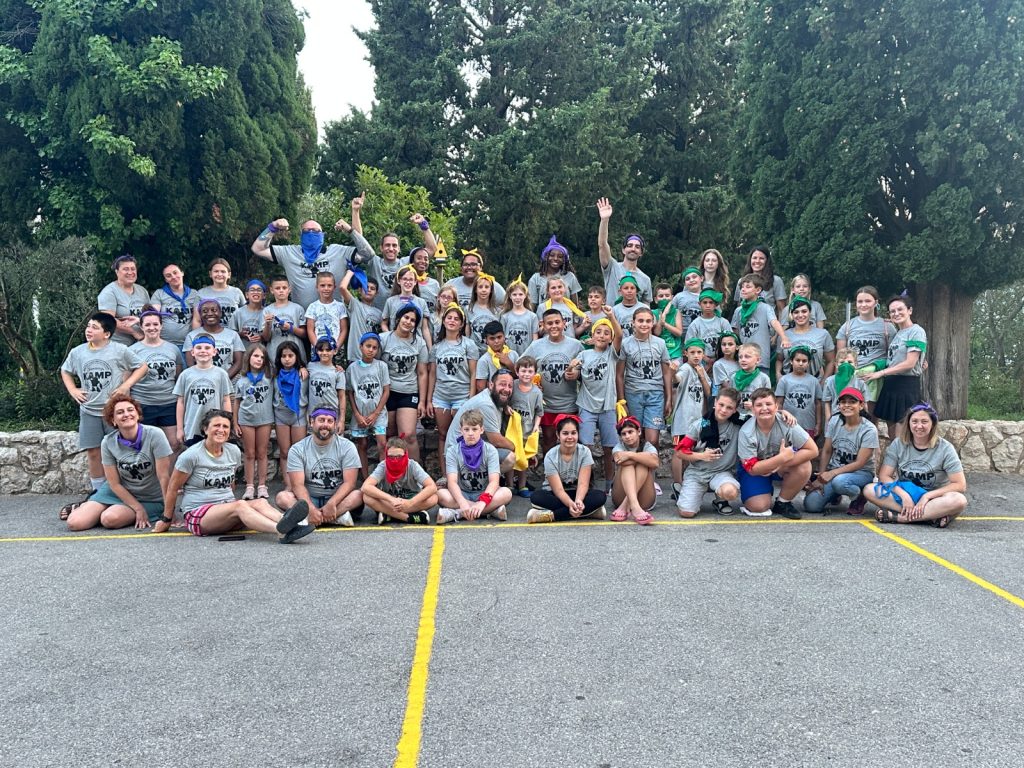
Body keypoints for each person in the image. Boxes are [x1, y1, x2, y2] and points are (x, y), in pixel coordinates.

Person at [153, 409, 314, 543]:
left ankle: (289, 523)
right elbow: (172, 488)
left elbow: (231, 483)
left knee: (260, 502)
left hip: (227, 510)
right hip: (199, 515)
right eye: (216, 425)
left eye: (225, 426)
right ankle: (281, 531)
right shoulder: (190, 456)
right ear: (205, 429)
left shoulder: (233, 451)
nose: (221, 430)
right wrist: (167, 519)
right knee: (241, 505)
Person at [60, 313, 149, 493]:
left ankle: (125, 489)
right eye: (88, 326)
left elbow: (142, 367)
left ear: (107, 334)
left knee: (121, 450)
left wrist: (126, 386)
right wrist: (73, 390)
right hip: (89, 411)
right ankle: (98, 491)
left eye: (94, 327)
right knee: (93, 452)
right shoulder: (77, 352)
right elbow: (65, 371)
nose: (88, 330)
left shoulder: (119, 350)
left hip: (114, 411)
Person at [63, 393, 172, 530]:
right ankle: (93, 505)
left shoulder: (155, 435)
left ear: (138, 415)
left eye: (130, 410)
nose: (126, 414)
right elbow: (114, 483)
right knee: (74, 523)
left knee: (109, 519)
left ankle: (102, 509)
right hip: (117, 492)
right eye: (120, 412)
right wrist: (137, 509)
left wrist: (169, 513)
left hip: (149, 497)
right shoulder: (108, 442)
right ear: (113, 420)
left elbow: (164, 477)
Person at [250, 203, 376, 309]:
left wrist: (350, 230)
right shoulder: (289, 253)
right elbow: (258, 249)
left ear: (322, 235)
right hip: (301, 321)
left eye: (316, 231)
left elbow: (367, 254)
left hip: (334, 319)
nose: (311, 233)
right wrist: (273, 227)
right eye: (306, 231)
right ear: (301, 235)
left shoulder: (338, 252)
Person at [864, 402, 968, 528]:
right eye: (914, 421)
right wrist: (904, 495)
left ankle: (903, 518)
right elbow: (884, 476)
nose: (919, 426)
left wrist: (927, 496)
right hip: (906, 494)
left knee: (959, 500)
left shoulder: (945, 448)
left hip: (934, 498)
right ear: (908, 423)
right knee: (869, 490)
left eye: (924, 421)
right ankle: (930, 516)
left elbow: (960, 485)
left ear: (933, 423)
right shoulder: (898, 444)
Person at [736, 388, 819, 519]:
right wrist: (781, 458)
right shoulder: (746, 431)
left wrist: (780, 463)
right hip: (757, 470)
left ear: (776, 406)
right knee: (758, 507)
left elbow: (813, 450)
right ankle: (762, 489)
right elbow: (752, 469)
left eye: (768, 404)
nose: (764, 408)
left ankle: (783, 502)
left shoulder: (787, 422)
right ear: (752, 409)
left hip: (781, 466)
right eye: (759, 405)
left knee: (804, 465)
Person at [276, 408, 364, 527]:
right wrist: (310, 508)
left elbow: (350, 483)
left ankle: (310, 519)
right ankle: (334, 517)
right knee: (282, 497)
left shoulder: (347, 446)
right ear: (312, 422)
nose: (325, 425)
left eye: (330, 421)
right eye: (321, 420)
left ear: (335, 424)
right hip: (310, 498)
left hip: (337, 500)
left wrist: (332, 503)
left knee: (359, 495)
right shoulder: (297, 449)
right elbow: (297, 485)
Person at [861, 294, 927, 440]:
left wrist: (881, 373)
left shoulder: (916, 331)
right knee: (893, 438)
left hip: (905, 386)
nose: (896, 313)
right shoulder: (898, 333)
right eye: (892, 311)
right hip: (891, 385)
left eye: (900, 309)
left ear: (910, 310)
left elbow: (909, 364)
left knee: (903, 436)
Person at [803, 388, 878, 515]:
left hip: (861, 473)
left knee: (840, 482)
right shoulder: (834, 421)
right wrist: (821, 477)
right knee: (811, 505)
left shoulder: (869, 430)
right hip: (837, 472)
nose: (847, 405)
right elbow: (827, 450)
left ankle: (860, 495)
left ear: (861, 405)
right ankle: (835, 494)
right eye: (843, 402)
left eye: (852, 402)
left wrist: (831, 474)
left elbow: (859, 463)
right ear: (839, 405)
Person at [522, 309, 585, 454]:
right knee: (548, 440)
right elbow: (522, 366)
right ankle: (548, 467)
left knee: (571, 441)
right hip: (546, 405)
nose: (554, 326)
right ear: (543, 325)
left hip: (569, 404)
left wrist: (577, 374)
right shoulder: (536, 346)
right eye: (549, 323)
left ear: (564, 323)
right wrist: (533, 383)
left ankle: (571, 468)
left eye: (557, 322)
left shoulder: (576, 345)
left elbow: (587, 371)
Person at [573, 310, 623, 492]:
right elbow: (573, 373)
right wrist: (571, 370)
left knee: (609, 448)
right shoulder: (584, 355)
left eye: (606, 333)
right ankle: (587, 482)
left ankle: (610, 484)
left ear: (610, 338)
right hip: (586, 405)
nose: (602, 336)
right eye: (598, 332)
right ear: (592, 336)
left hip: (607, 406)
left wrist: (611, 317)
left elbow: (620, 335)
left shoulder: (611, 354)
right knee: (585, 447)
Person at [674, 387, 743, 518]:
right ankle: (685, 493)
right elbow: (680, 452)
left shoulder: (739, 423)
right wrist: (702, 456)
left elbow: (763, 416)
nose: (723, 410)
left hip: (721, 472)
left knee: (730, 492)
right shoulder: (699, 425)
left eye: (729, 407)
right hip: (698, 473)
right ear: (715, 402)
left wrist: (782, 413)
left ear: (735, 409)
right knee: (687, 513)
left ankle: (720, 499)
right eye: (721, 405)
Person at [436, 409, 513, 524]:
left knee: (506, 493)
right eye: (466, 429)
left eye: (474, 429)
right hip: (463, 493)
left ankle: (458, 513)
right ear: (461, 430)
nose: (470, 433)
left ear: (481, 430)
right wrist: (462, 502)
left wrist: (482, 502)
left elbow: (494, 481)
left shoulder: (490, 450)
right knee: (440, 494)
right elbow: (452, 482)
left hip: (484, 493)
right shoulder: (452, 451)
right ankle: (490, 512)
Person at [527, 414, 608, 523]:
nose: (570, 437)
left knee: (600, 497)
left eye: (573, 433)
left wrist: (578, 501)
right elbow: (558, 490)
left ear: (578, 434)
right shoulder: (550, 456)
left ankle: (552, 516)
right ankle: (589, 513)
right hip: (556, 494)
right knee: (536, 497)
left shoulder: (585, 452)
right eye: (565, 433)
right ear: (558, 435)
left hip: (577, 492)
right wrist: (570, 504)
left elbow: (583, 484)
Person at [428, 304, 478, 472]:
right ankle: (445, 473)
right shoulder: (436, 347)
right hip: (441, 396)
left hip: (462, 395)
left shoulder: (468, 345)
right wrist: (429, 400)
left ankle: (462, 472)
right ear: (443, 321)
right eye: (449, 318)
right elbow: (432, 374)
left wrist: (471, 397)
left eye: (456, 319)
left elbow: (473, 373)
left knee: (462, 435)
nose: (452, 321)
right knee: (442, 435)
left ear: (462, 324)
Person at [617, 306, 674, 452]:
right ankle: (637, 465)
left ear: (653, 323)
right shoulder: (626, 343)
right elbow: (619, 374)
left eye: (648, 321)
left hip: (655, 395)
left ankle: (652, 465)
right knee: (635, 436)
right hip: (633, 393)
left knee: (652, 439)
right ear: (633, 322)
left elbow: (666, 372)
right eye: (640, 321)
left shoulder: (660, 343)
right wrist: (622, 400)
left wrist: (668, 398)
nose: (644, 324)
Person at [445, 370, 519, 476]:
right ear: (491, 385)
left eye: (510, 386)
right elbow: (497, 441)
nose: (507, 389)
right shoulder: (486, 404)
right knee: (510, 458)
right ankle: (482, 481)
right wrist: (519, 450)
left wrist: (505, 406)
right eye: (502, 384)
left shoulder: (495, 399)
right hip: (460, 452)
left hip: (474, 447)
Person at [129, 308, 183, 451]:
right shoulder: (132, 350)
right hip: (143, 403)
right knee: (145, 445)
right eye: (147, 325)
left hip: (169, 403)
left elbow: (177, 376)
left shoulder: (173, 349)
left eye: (155, 324)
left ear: (161, 326)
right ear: (141, 327)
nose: (152, 328)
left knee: (174, 444)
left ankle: (169, 468)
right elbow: (126, 380)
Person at [835, 285, 895, 415]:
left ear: (876, 303)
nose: (863, 305)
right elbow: (840, 357)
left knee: (871, 416)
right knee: (850, 415)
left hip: (876, 377)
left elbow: (895, 354)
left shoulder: (887, 326)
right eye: (860, 301)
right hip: (852, 376)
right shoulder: (847, 326)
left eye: (868, 301)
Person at [380, 304, 429, 460]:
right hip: (387, 392)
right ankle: (388, 472)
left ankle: (414, 472)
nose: (408, 322)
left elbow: (422, 373)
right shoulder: (384, 339)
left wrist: (422, 401)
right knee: (390, 435)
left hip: (409, 392)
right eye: (406, 317)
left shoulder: (419, 343)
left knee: (408, 435)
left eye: (413, 320)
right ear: (398, 318)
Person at [172, 334, 232, 447]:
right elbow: (180, 402)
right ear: (192, 352)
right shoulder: (185, 375)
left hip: (215, 426)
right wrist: (179, 429)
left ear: (214, 352)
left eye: (207, 348)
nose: (203, 351)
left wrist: (227, 424)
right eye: (199, 348)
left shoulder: (221, 374)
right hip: (192, 427)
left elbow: (226, 400)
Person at [361, 437, 437, 524]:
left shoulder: (412, 465)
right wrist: (391, 499)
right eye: (391, 457)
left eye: (399, 457)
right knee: (366, 497)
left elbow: (432, 486)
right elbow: (365, 487)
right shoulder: (383, 465)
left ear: (406, 454)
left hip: (411, 500)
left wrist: (410, 503)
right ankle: (408, 517)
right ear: (386, 455)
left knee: (433, 498)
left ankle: (390, 515)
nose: (395, 460)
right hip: (390, 502)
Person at [346, 332, 391, 479]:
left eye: (374, 347)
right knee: (362, 444)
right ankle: (366, 479)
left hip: (378, 413)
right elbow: (350, 392)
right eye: (368, 346)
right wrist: (357, 414)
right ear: (361, 346)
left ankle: (382, 479)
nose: (371, 350)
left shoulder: (381, 366)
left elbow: (386, 391)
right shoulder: (352, 368)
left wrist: (376, 413)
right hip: (360, 413)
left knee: (382, 444)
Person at [233, 344, 275, 500]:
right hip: (246, 420)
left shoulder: (269, 377)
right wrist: (235, 423)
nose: (259, 359)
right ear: (248, 357)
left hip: (265, 420)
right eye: (256, 356)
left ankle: (262, 485)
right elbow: (237, 402)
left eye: (262, 357)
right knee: (249, 454)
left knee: (262, 453)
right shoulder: (242, 380)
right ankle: (250, 486)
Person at [670, 339, 712, 494]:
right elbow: (677, 379)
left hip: (697, 420)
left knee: (692, 452)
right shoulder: (686, 368)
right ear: (685, 353)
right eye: (692, 352)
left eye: (699, 352)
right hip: (682, 419)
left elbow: (709, 393)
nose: (696, 355)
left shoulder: (701, 369)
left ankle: (688, 483)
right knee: (678, 451)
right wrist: (673, 372)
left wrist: (702, 376)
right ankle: (677, 485)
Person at [596, 197, 653, 304]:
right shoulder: (612, 267)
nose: (633, 249)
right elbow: (602, 245)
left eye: (637, 247)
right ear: (623, 249)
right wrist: (604, 220)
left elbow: (646, 307)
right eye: (630, 245)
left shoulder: (645, 279)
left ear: (641, 253)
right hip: (611, 314)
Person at [732, 273, 790, 371]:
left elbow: (774, 322)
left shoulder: (766, 308)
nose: (743, 289)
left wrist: (784, 337)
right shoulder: (738, 310)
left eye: (748, 287)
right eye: (742, 287)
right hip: (744, 360)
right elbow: (735, 331)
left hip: (761, 360)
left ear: (758, 290)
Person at [608, 415, 658, 524]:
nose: (627, 436)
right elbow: (619, 459)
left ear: (639, 432)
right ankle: (635, 507)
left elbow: (655, 463)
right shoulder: (618, 447)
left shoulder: (647, 446)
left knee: (642, 465)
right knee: (628, 466)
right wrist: (643, 458)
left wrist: (630, 455)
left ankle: (626, 506)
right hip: (620, 496)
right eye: (624, 434)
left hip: (644, 499)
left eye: (630, 432)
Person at [272, 340, 308, 492]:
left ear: (296, 356)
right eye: (283, 356)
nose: (287, 359)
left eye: (290, 355)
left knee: (298, 452)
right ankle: (288, 484)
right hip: (281, 415)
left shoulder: (303, 374)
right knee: (285, 452)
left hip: (298, 415)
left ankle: (299, 484)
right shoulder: (274, 375)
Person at [776, 297, 835, 382]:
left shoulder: (823, 334)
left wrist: (823, 382)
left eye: (804, 311)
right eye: (796, 312)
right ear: (791, 315)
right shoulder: (784, 336)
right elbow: (779, 359)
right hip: (788, 383)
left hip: (815, 382)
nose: (800, 315)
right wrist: (778, 374)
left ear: (810, 313)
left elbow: (831, 360)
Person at [508, 356, 543, 496]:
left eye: (530, 371)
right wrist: (506, 408)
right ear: (517, 372)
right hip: (511, 431)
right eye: (523, 371)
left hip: (526, 432)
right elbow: (505, 401)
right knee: (511, 459)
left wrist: (536, 426)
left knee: (523, 461)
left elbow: (539, 412)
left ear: (535, 373)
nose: (526, 374)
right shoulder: (513, 385)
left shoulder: (537, 392)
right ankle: (510, 485)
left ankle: (522, 486)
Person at [98, 254, 150, 346]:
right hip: (117, 345)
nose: (130, 272)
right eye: (126, 269)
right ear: (117, 272)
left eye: (133, 269)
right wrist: (134, 332)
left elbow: (150, 315)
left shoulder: (142, 291)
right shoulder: (109, 292)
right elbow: (108, 320)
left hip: (142, 343)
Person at [184, 299, 244, 377]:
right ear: (200, 314)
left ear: (220, 313)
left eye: (214, 310)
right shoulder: (191, 336)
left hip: (228, 381)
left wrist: (223, 379)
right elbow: (190, 364)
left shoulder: (233, 335)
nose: (210, 313)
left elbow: (238, 363)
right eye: (205, 311)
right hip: (201, 381)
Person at [775, 346, 823, 438]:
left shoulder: (814, 381)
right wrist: (778, 422)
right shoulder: (784, 380)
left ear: (808, 363)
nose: (801, 363)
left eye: (804, 361)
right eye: (797, 360)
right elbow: (779, 403)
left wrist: (818, 424)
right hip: (788, 424)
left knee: (808, 446)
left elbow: (818, 404)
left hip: (808, 425)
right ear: (791, 361)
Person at [150, 263, 200, 348]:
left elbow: (197, 320)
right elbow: (153, 316)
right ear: (166, 280)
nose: (173, 277)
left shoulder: (194, 294)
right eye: (168, 275)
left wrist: (195, 341)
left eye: (175, 272)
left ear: (182, 273)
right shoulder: (159, 294)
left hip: (187, 344)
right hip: (165, 344)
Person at [261, 276, 308, 365]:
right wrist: (268, 324)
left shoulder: (298, 308)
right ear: (271, 290)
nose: (281, 290)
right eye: (277, 288)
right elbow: (265, 338)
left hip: (296, 356)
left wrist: (290, 328)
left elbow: (304, 334)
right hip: (274, 356)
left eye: (284, 288)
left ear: (289, 289)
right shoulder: (267, 311)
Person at [339, 269, 382, 363]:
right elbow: (342, 287)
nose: (368, 290)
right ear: (359, 290)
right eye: (365, 287)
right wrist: (350, 272)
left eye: (372, 288)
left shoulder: (379, 313)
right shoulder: (355, 305)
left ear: (376, 293)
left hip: (373, 359)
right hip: (355, 357)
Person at [528, 235, 582, 307]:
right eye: (552, 255)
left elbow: (575, 305)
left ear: (564, 260)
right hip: (544, 313)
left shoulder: (570, 276)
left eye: (560, 257)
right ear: (546, 257)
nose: (556, 258)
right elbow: (532, 305)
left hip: (566, 314)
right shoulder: (535, 278)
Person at [381, 264, 431, 341]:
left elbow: (425, 328)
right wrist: (390, 337)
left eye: (411, 279)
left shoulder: (421, 302)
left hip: (415, 344)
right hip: (395, 343)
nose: (408, 282)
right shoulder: (390, 301)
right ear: (399, 281)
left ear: (415, 282)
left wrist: (429, 347)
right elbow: (384, 324)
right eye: (405, 279)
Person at [304, 271, 348, 357]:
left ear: (334, 287)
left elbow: (344, 330)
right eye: (322, 285)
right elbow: (310, 330)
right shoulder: (312, 307)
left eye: (329, 285)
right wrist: (318, 347)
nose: (326, 288)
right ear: (317, 287)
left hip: (337, 351)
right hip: (318, 352)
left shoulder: (340, 306)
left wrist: (337, 347)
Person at [307, 337, 347, 428]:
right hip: (314, 414)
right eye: (321, 350)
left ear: (335, 351)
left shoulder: (338, 372)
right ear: (316, 351)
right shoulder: (310, 366)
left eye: (328, 350)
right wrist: (302, 368)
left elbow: (342, 397)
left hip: (331, 414)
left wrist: (342, 420)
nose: (324, 353)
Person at [687, 289, 732, 368]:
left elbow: (731, 341)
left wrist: (718, 357)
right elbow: (690, 344)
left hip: (722, 359)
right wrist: (706, 359)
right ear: (699, 304)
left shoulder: (723, 322)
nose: (708, 305)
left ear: (715, 304)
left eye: (711, 302)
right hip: (701, 361)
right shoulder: (695, 324)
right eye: (705, 302)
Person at [194, 258, 245, 328]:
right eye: (216, 271)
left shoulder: (237, 292)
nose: (219, 274)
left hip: (233, 333)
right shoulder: (201, 293)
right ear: (210, 274)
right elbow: (197, 320)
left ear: (229, 274)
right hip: (208, 333)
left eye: (223, 271)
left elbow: (245, 315)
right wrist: (197, 334)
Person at [733, 246, 786, 312]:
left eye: (761, 258)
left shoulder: (776, 281)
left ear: (767, 261)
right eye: (754, 258)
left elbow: (781, 310)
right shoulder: (741, 281)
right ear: (750, 260)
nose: (757, 261)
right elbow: (739, 307)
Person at [821, 349, 867, 424]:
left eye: (850, 362)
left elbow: (864, 403)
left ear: (856, 364)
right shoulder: (829, 381)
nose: (846, 365)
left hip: (855, 417)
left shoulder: (860, 382)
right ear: (836, 364)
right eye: (842, 362)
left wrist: (866, 418)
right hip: (836, 417)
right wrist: (828, 419)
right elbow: (827, 402)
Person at [536, 276, 589, 340]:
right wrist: (545, 327)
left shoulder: (572, 306)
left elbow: (573, 332)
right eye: (553, 288)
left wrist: (583, 326)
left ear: (565, 288)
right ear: (548, 291)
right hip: (550, 343)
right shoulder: (542, 307)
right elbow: (539, 333)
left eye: (560, 287)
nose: (557, 290)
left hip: (569, 343)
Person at [729, 343, 772, 421]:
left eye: (747, 357)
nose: (743, 359)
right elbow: (730, 397)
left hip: (756, 417)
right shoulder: (733, 377)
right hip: (736, 416)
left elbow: (768, 400)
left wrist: (755, 404)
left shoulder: (764, 378)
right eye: (740, 357)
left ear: (758, 360)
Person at [474, 321, 518, 392]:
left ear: (504, 336)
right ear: (486, 340)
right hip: (492, 396)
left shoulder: (513, 354)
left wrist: (509, 364)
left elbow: (521, 378)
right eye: (492, 338)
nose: (496, 341)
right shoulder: (484, 360)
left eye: (499, 337)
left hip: (513, 395)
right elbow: (480, 387)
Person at [501, 275, 539, 355]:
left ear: (525, 295)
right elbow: (502, 338)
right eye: (514, 294)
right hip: (509, 356)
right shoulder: (505, 317)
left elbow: (535, 339)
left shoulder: (532, 317)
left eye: (520, 294)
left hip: (527, 356)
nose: (517, 297)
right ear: (510, 296)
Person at [467, 271, 502, 350]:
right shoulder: (469, 309)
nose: (483, 290)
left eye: (486, 287)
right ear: (475, 290)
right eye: (480, 287)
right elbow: (467, 330)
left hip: (492, 350)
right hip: (474, 350)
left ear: (491, 290)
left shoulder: (497, 310)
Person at [231, 280, 269, 350]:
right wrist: (241, 334)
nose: (255, 292)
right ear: (247, 295)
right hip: (242, 351)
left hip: (261, 352)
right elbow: (230, 334)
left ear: (264, 295)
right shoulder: (238, 313)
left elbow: (270, 336)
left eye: (259, 290)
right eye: (252, 290)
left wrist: (261, 337)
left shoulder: (268, 312)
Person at [652, 283, 683, 361]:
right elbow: (657, 333)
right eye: (661, 296)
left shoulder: (676, 312)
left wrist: (664, 324)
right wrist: (663, 314)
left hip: (675, 353)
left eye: (667, 295)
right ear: (656, 299)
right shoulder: (653, 313)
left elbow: (679, 333)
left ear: (672, 298)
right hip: (659, 353)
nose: (664, 298)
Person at [671, 268, 704, 338]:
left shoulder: (708, 296)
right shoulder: (679, 296)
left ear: (701, 278)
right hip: (681, 338)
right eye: (687, 279)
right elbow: (670, 315)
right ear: (684, 284)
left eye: (694, 277)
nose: (691, 280)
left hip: (701, 337)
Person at [712, 331, 741, 398]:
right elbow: (727, 386)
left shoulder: (741, 362)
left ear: (737, 347)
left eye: (730, 344)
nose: (726, 347)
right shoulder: (718, 364)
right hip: (728, 397)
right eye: (724, 344)